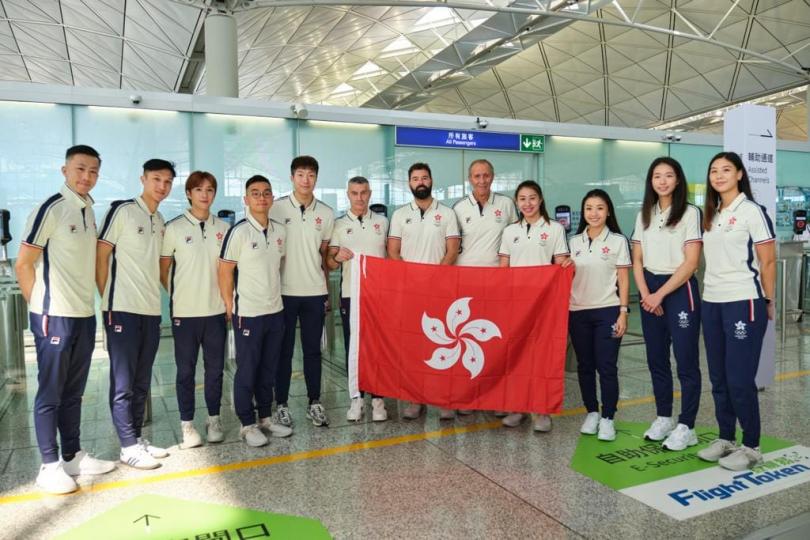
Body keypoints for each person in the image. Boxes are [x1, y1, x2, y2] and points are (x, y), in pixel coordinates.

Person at [15, 145, 115, 494]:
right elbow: (23, 264)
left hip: (83, 315)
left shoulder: (88, 210)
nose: (86, 177)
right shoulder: (52, 208)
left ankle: (72, 455)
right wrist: (40, 307)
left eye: (93, 171)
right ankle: (48, 464)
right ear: (65, 170)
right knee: (51, 393)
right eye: (80, 169)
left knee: (74, 393)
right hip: (54, 316)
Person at [696, 152, 775, 471]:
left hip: (744, 300)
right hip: (711, 301)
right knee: (718, 377)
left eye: (726, 170)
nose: (718, 175)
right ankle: (726, 437)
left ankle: (752, 446)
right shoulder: (711, 214)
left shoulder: (752, 211)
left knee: (740, 378)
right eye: (713, 170)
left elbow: (767, 261)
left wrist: (768, 301)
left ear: (740, 174)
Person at [97, 158, 174, 469]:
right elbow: (101, 256)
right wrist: (108, 300)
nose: (162, 186)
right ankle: (127, 445)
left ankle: (137, 437)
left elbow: (158, 268)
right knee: (123, 381)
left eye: (167, 182)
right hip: (122, 310)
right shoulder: (123, 211)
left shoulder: (161, 220)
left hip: (149, 310)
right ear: (143, 179)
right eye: (156, 179)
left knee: (143, 379)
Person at [632, 157, 703, 451]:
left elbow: (691, 263)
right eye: (657, 176)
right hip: (650, 288)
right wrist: (646, 293)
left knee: (685, 362)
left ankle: (687, 425)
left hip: (679, 289)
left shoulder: (689, 213)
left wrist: (660, 295)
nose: (662, 181)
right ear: (651, 181)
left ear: (678, 180)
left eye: (668, 175)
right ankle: (664, 417)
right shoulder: (644, 214)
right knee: (656, 360)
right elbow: (636, 259)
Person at [218, 175, 293, 447]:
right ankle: (247, 424)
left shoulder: (279, 231)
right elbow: (225, 271)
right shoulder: (238, 232)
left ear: (272, 198)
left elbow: (278, 265)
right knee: (247, 369)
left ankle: (265, 417)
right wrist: (229, 305)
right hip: (247, 313)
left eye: (266, 193)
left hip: (275, 311)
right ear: (246, 199)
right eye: (255, 193)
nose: (261, 198)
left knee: (268, 369)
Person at [159, 171, 230, 449]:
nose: (205, 194)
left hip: (215, 313)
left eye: (210, 190)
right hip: (185, 315)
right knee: (185, 372)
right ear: (189, 193)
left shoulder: (223, 228)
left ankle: (214, 419)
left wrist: (227, 302)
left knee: (214, 371)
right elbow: (163, 269)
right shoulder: (174, 228)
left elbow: (228, 271)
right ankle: (187, 424)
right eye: (199, 189)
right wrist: (178, 295)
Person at [388, 162, 460, 420]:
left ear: (432, 181)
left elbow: (452, 250)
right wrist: (410, 278)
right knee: (413, 347)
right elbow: (393, 251)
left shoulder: (448, 214)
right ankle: (414, 400)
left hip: (440, 290)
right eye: (416, 178)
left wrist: (435, 277)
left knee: (442, 344)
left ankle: (444, 400)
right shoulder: (399, 215)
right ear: (409, 183)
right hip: (409, 292)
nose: (421, 182)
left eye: (425, 178)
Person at [498, 180, 571, 432]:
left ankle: (541, 412)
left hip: (543, 305)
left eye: (532, 198)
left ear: (540, 200)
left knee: (541, 358)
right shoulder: (509, 231)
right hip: (516, 305)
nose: (527, 203)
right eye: (522, 199)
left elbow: (560, 263)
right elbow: (504, 268)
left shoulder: (554, 230)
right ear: (516, 203)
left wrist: (566, 267)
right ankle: (517, 408)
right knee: (516, 358)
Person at [270, 156, 335, 428]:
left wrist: (327, 291)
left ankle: (314, 402)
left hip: (314, 292)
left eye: (310, 175)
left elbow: (324, 256)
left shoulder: (327, 213)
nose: (305, 180)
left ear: (316, 178)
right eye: (300, 174)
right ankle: (281, 404)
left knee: (312, 351)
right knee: (282, 352)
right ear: (292, 177)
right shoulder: (275, 208)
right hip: (283, 293)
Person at [453, 159, 517, 418]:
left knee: (494, 342)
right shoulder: (458, 208)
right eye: (477, 176)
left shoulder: (506, 205)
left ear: (493, 177)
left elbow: (516, 239)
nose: (482, 180)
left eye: (486, 175)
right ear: (470, 179)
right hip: (465, 286)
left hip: (497, 283)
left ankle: (496, 397)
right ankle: (468, 397)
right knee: (467, 342)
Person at [568, 189, 631, 442]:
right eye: (589, 208)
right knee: (585, 366)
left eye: (600, 208)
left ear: (608, 211)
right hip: (578, 311)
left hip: (608, 310)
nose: (594, 213)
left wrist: (623, 312)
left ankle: (608, 418)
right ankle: (592, 412)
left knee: (606, 367)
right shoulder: (573, 242)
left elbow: (624, 280)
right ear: (583, 213)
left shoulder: (617, 240)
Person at [327, 176, 389, 422]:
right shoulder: (339, 225)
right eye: (355, 193)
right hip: (351, 296)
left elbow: (392, 257)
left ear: (370, 193)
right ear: (348, 195)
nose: (360, 198)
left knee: (378, 348)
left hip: (379, 297)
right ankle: (356, 399)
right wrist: (337, 258)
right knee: (353, 347)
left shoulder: (383, 223)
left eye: (364, 192)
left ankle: (378, 399)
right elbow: (330, 263)